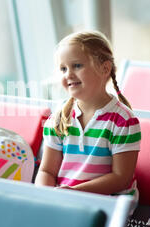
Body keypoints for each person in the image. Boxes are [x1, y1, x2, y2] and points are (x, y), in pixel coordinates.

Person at [35, 30, 141, 201]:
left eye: (77, 65)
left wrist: (74, 194)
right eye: (63, 68)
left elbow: (121, 178)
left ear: (104, 68)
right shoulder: (59, 117)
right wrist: (45, 198)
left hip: (109, 205)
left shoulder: (124, 121)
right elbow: (47, 171)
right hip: (67, 202)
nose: (68, 74)